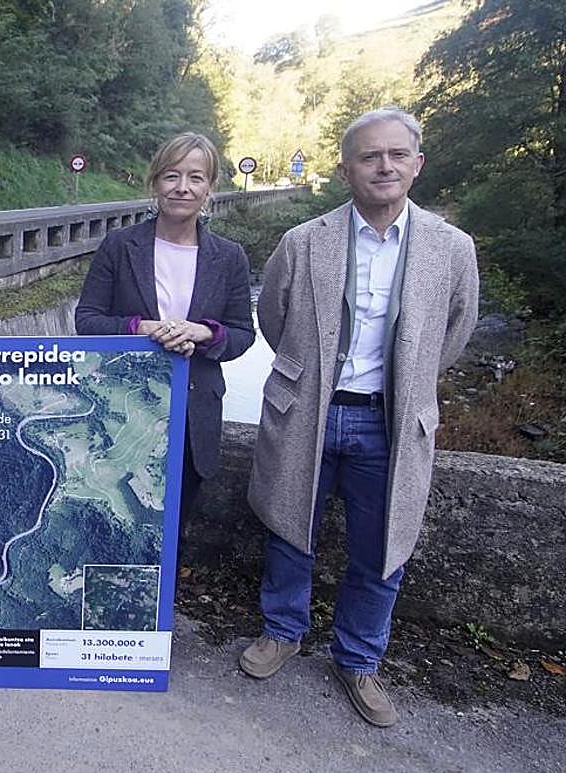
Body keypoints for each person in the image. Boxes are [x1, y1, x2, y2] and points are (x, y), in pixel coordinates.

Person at [240, 107, 479, 727]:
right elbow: (274, 317)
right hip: (309, 410)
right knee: (291, 530)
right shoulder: (304, 241)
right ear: (345, 169)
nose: (385, 165)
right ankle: (281, 632)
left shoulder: (452, 249)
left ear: (417, 165)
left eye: (397, 155)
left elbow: (456, 329)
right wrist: (306, 372)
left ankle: (359, 659)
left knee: (382, 548)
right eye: (370, 156)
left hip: (391, 421)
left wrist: (412, 379)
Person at [75, 132, 255, 535]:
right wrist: (141, 329)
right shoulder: (120, 246)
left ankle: (163, 600)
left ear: (210, 187)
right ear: (155, 182)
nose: (183, 188)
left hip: (194, 416)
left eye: (196, 177)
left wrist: (205, 333)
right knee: (114, 530)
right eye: (172, 176)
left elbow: (243, 333)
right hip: (121, 412)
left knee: (170, 533)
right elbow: (87, 320)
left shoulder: (229, 257)